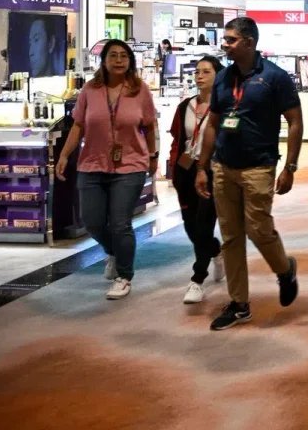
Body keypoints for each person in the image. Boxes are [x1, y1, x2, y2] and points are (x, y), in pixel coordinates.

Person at [195, 17, 302, 331]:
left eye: (231, 40)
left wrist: (290, 167)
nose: (225, 44)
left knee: (258, 229)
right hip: (223, 167)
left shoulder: (274, 78)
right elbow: (213, 124)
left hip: (259, 166)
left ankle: (284, 270)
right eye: (226, 40)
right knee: (230, 238)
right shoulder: (223, 79)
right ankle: (239, 304)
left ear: (250, 42)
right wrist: (203, 167)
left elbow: (295, 121)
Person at [54, 40, 158, 300]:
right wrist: (65, 155)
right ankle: (113, 251)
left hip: (131, 164)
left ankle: (124, 275)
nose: (119, 60)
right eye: (113, 55)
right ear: (104, 61)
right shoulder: (90, 90)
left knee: (121, 222)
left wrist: (153, 155)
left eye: (124, 56)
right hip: (92, 163)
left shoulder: (139, 90)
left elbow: (150, 125)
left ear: (130, 61)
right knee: (93, 222)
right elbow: (78, 125)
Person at [168, 56, 225, 305]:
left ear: (218, 75)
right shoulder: (185, 106)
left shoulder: (225, 106)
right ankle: (215, 250)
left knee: (203, 224)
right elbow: (178, 139)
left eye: (206, 71)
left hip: (212, 170)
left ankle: (197, 278)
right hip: (186, 170)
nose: (199, 76)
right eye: (197, 71)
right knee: (191, 226)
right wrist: (174, 169)